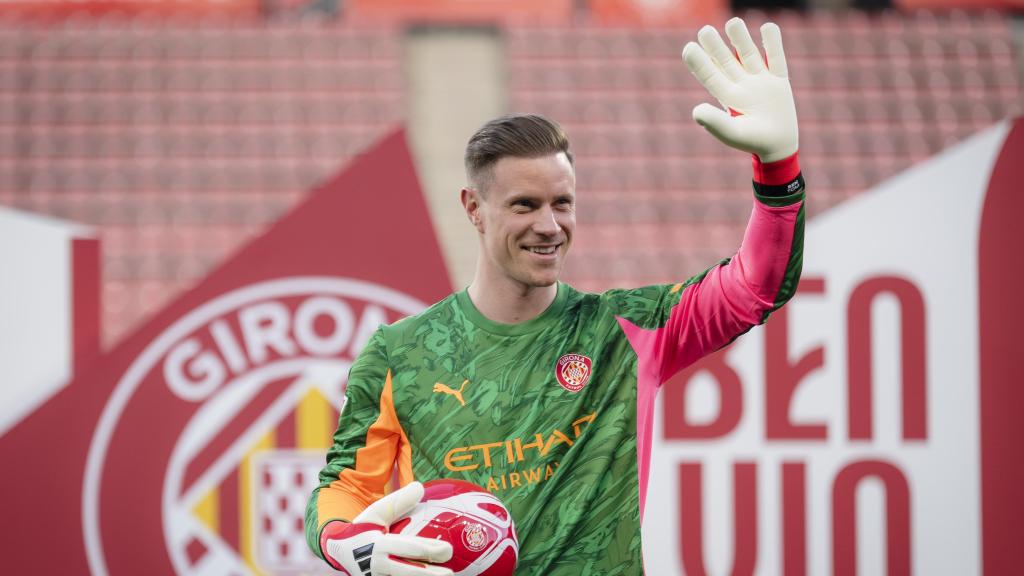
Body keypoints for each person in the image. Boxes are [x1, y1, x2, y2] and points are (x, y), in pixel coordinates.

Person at [306, 17, 804, 575]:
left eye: (562, 203)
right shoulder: (400, 353)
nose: (550, 225)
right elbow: (345, 485)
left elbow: (756, 288)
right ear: (473, 207)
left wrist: (779, 172)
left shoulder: (626, 329)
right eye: (524, 205)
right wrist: (346, 540)